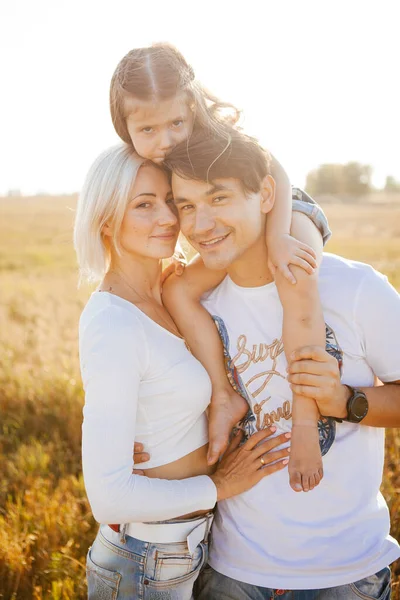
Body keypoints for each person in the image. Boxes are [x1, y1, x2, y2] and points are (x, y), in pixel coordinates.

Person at [159, 126, 400, 598]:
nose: (201, 224)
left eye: (219, 197)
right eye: (186, 205)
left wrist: (346, 401)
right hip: (232, 570)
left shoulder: (354, 288)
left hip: (344, 574)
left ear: (267, 194)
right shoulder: (195, 307)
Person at [110, 43, 333, 492]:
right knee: (176, 291)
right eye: (148, 129)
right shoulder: (138, 163)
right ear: (125, 128)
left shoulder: (216, 132)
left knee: (295, 280)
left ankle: (307, 421)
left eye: (176, 122)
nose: (166, 139)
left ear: (193, 107)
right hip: (232, 227)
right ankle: (224, 395)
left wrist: (277, 238)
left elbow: (277, 174)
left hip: (285, 212)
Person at [74, 144, 291, 599]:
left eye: (170, 201)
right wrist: (220, 485)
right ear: (107, 221)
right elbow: (108, 497)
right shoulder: (114, 322)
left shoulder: (174, 289)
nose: (169, 218)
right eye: (143, 205)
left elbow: (256, 192)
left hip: (193, 546)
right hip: (143, 560)